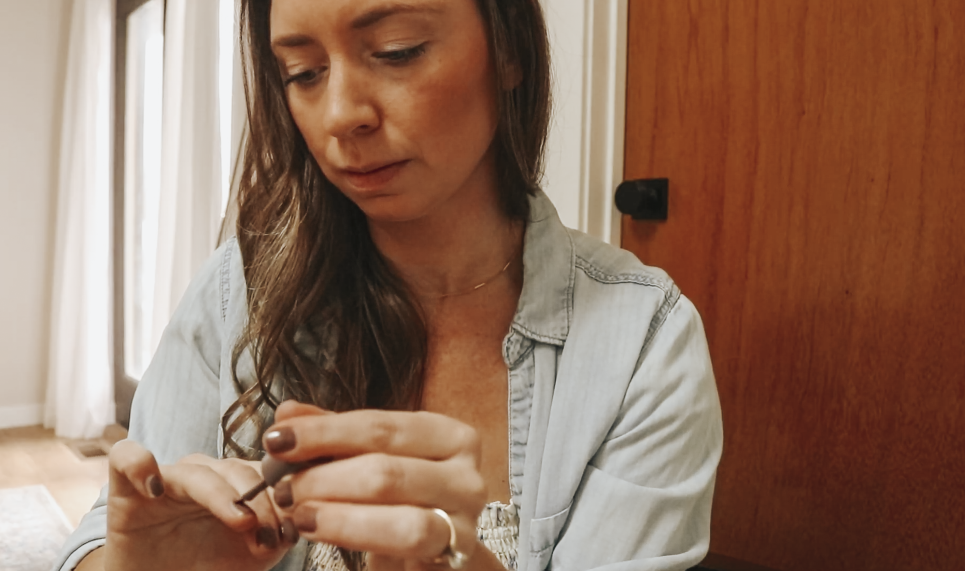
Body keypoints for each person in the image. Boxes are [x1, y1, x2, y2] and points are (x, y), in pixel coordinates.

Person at [55, 0, 723, 570]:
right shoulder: (240, 292)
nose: (341, 114)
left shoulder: (645, 344)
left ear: (509, 49)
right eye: (303, 72)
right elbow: (111, 528)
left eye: (397, 51)